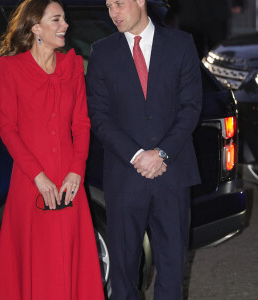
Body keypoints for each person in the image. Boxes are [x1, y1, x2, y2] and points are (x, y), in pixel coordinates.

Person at [86, 0, 202, 299]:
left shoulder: (181, 43)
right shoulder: (102, 51)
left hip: (172, 175)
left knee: (172, 270)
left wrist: (161, 153)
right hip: (124, 178)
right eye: (109, 6)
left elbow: (191, 107)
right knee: (123, 275)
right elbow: (99, 116)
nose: (113, 13)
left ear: (140, 1)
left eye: (119, 4)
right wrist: (138, 156)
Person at [0, 0, 105, 299]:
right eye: (56, 19)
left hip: (69, 179)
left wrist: (76, 172)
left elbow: (81, 124)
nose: (65, 25)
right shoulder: (10, 68)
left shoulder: (72, 65)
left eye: (64, 18)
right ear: (35, 27)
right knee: (33, 260)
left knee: (69, 258)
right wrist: (37, 177)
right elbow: (9, 130)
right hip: (31, 180)